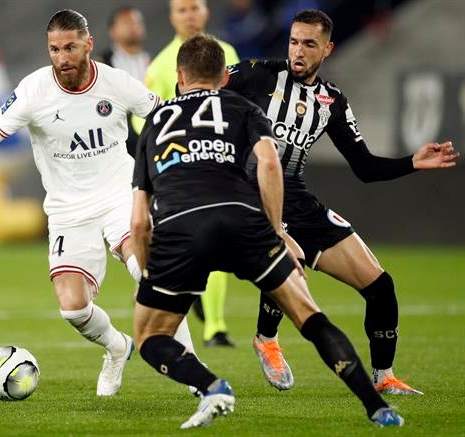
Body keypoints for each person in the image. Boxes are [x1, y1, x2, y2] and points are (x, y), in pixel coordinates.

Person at [131, 33, 404, 429]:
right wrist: (277, 232)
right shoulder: (243, 107)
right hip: (243, 219)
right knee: (311, 318)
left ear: (179, 76)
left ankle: (212, 387)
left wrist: (147, 269)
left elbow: (139, 219)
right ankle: (376, 407)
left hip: (182, 228)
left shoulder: (157, 120)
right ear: (225, 76)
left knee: (151, 337)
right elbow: (270, 165)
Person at [225, 9, 460, 394]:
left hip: (297, 199)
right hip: (250, 194)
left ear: (328, 49)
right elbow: (200, 94)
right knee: (292, 256)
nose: (298, 51)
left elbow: (364, 167)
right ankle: (266, 338)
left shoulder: (330, 101)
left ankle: (384, 377)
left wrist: (412, 163)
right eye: (294, 42)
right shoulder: (256, 73)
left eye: (309, 44)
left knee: (381, 287)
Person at [0, 9, 163, 397]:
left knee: (146, 272)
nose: (62, 57)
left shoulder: (116, 83)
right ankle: (118, 348)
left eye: (70, 47)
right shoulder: (33, 91)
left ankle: (194, 371)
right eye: (54, 49)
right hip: (67, 211)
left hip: (119, 194)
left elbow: (165, 116)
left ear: (88, 44)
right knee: (73, 308)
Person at [140, 0, 241, 347]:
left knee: (218, 243)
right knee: (201, 244)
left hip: (222, 163)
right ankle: (206, 318)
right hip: (182, 173)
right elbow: (144, 120)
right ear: (171, 17)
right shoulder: (162, 65)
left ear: (206, 11)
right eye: (182, 10)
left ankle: (215, 326)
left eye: (194, 8)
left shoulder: (226, 51)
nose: (189, 15)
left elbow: (239, 102)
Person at [97, 6, 151, 157]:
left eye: (137, 22)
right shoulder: (101, 65)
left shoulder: (152, 62)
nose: (133, 26)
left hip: (147, 134)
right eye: (126, 22)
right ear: (112, 31)